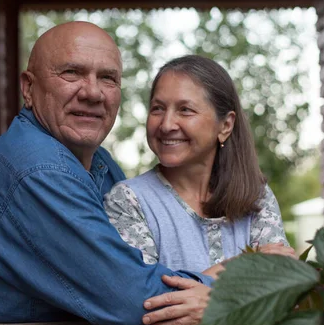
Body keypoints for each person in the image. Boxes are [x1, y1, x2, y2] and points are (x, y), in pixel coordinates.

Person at [0, 22, 214, 325]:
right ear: (28, 88)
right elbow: (133, 298)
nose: (92, 92)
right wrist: (231, 283)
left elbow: (143, 262)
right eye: (71, 73)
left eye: (108, 78)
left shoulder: (99, 162)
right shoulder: (39, 170)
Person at [104, 55, 295, 288]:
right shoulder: (128, 200)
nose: (166, 124)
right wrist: (242, 266)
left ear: (225, 125)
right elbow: (140, 294)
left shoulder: (257, 196)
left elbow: (283, 286)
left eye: (185, 110)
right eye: (157, 109)